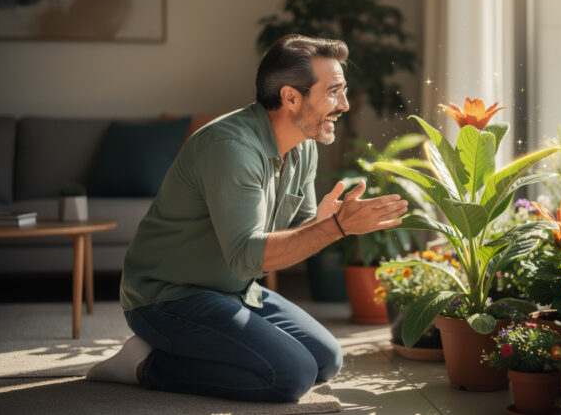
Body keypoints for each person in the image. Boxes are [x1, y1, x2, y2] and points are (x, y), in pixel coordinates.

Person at [85, 34, 408, 402]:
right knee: (291, 376)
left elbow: (291, 241)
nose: (345, 104)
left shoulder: (303, 147)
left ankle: (189, 347)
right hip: (168, 296)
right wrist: (336, 228)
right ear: (290, 97)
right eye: (334, 91)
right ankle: (143, 364)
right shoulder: (230, 148)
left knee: (326, 360)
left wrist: (323, 224)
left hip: (237, 290)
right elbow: (247, 255)